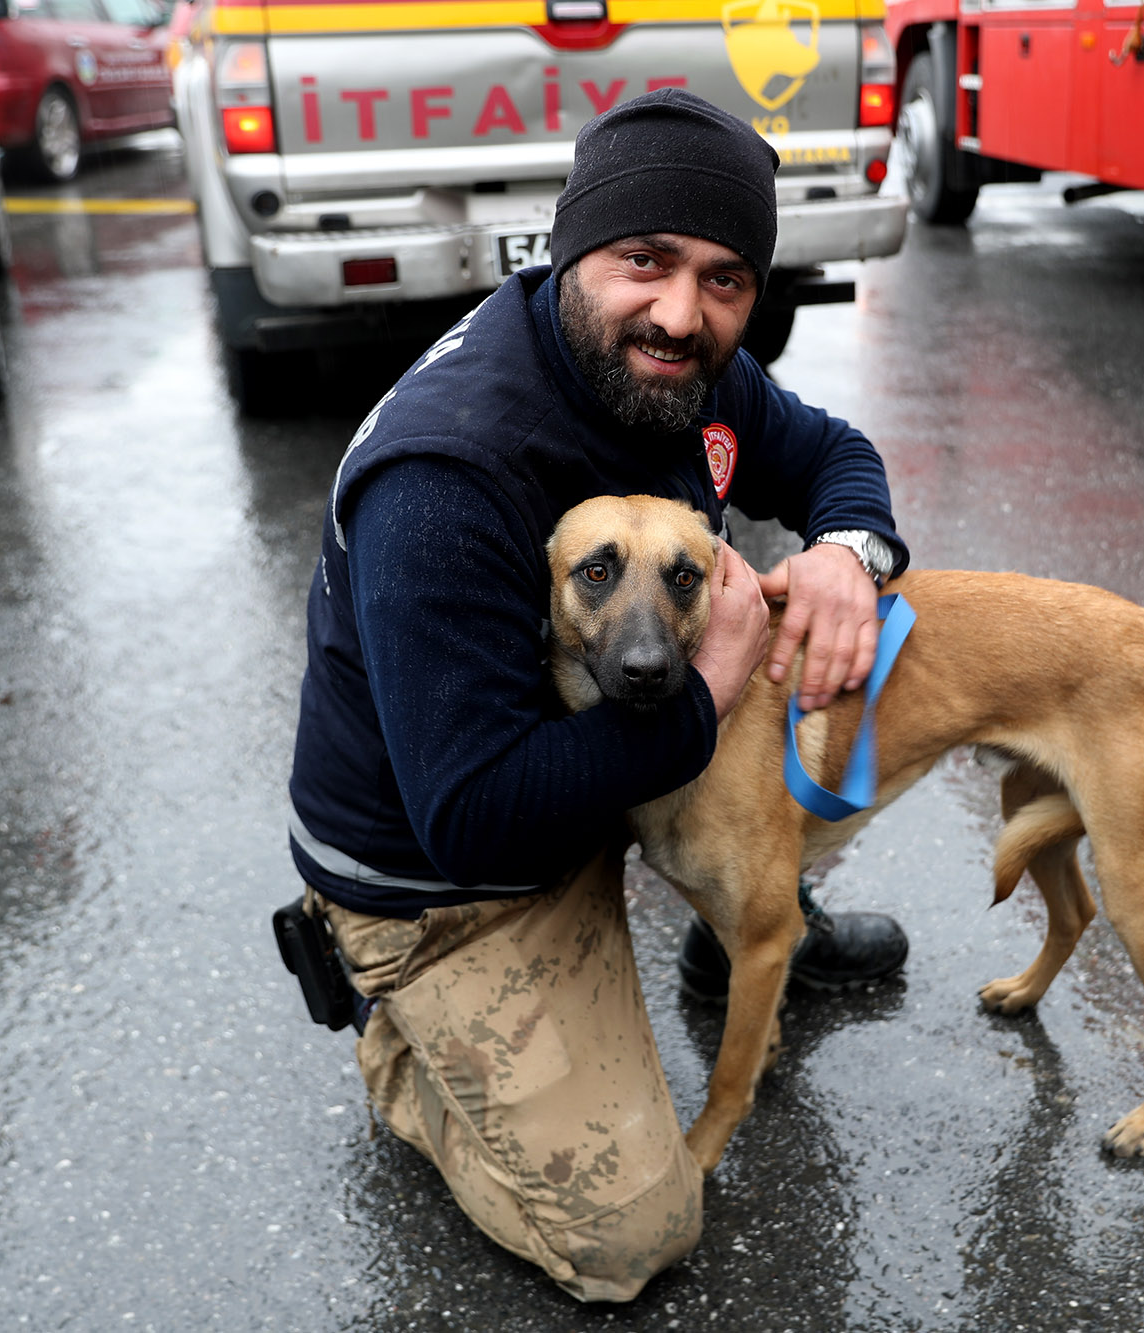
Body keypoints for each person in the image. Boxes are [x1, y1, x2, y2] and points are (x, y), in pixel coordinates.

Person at [284, 88, 910, 1302]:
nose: (681, 312)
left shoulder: (679, 375)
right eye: (644, 260)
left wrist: (848, 551)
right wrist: (709, 685)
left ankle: (755, 916)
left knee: (758, 757)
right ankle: (403, 1038)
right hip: (443, 876)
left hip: (582, 782)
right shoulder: (447, 474)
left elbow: (833, 453)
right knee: (631, 1242)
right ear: (570, 250)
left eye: (725, 277)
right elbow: (468, 817)